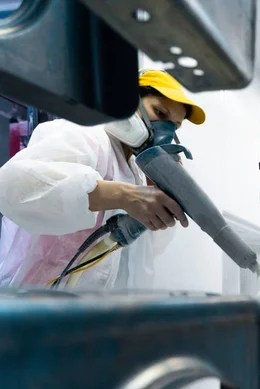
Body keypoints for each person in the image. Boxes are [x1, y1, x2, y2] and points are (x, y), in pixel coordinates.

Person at [0, 69, 205, 289]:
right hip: (27, 301)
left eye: (174, 126)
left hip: (82, 312)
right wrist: (122, 195)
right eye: (160, 113)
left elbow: (144, 253)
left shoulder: (136, 171)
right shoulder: (84, 135)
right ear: (128, 102)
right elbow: (12, 186)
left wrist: (160, 189)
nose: (165, 130)